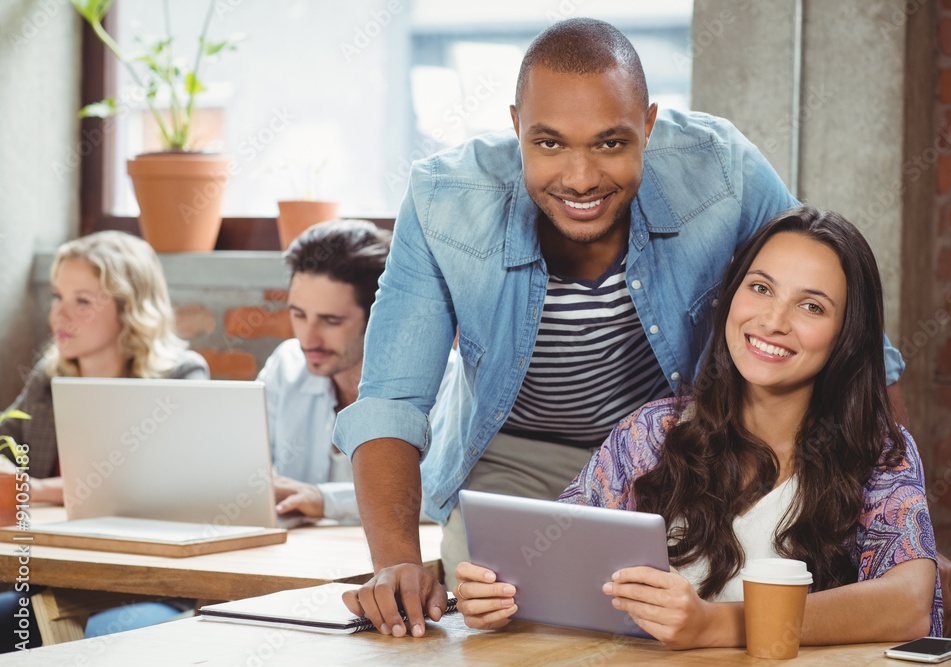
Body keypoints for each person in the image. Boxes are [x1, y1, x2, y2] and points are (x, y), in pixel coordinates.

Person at [334, 18, 911, 638]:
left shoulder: (722, 171)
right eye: (549, 143)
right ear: (515, 128)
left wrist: (907, 531)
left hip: (670, 462)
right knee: (505, 628)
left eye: (610, 143)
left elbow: (850, 336)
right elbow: (393, 400)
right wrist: (394, 563)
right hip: (514, 460)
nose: (580, 179)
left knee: (668, 630)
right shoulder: (444, 201)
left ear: (650, 126)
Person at [455, 206, 943, 647]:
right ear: (732, 297)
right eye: (761, 288)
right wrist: (498, 596)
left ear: (848, 335)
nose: (773, 321)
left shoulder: (878, 453)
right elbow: (550, 564)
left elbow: (909, 604)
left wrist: (715, 624)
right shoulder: (651, 434)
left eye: (811, 306)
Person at [0, 230, 208, 647]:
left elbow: (157, 486)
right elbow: (5, 443)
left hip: (151, 580)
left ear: (129, 308)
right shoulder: (48, 376)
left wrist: (33, 489)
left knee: (106, 633)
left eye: (82, 301)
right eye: (58, 297)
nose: (59, 315)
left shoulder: (182, 376)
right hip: (54, 570)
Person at [256, 220, 390, 521]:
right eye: (299, 315)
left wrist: (325, 500)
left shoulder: (443, 378)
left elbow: (437, 493)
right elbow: (244, 467)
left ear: (377, 318)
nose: (308, 339)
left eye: (331, 321)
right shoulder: (286, 365)